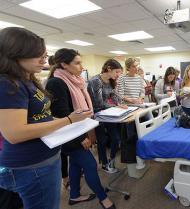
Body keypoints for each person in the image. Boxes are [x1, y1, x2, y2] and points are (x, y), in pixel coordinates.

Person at [0, 27, 91, 209]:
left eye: (44, 55)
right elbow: (15, 133)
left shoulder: (28, 80)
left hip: (43, 158)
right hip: (31, 165)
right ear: (15, 55)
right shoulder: (7, 83)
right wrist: (69, 120)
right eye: (37, 56)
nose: (44, 60)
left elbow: (40, 117)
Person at [46, 48, 116, 209]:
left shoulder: (73, 80)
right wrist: (80, 138)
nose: (81, 66)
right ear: (64, 65)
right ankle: (103, 198)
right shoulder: (56, 82)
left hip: (78, 130)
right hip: (70, 135)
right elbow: (62, 115)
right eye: (77, 63)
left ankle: (74, 195)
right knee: (90, 165)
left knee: (76, 164)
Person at [87, 59, 126, 173]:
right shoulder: (96, 81)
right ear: (109, 69)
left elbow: (113, 95)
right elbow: (98, 104)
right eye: (117, 72)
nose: (118, 75)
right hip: (98, 115)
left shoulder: (110, 80)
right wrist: (116, 106)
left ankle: (111, 160)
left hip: (109, 113)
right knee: (102, 140)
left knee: (116, 139)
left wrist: (119, 103)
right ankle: (104, 163)